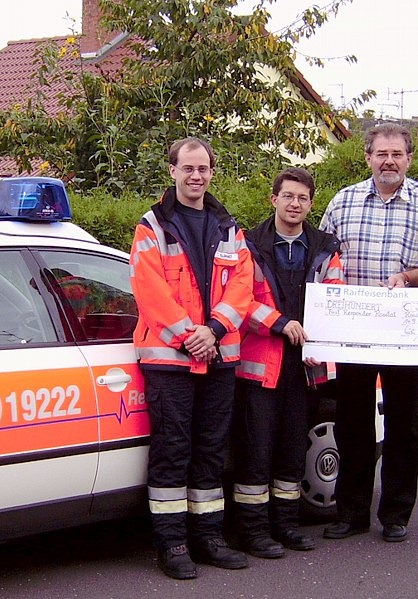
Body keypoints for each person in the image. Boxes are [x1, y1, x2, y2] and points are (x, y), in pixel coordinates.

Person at [129, 137, 253, 580]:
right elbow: (151, 292)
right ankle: (173, 544)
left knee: (211, 449)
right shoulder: (152, 226)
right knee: (173, 449)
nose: (196, 176)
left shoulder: (228, 227)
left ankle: (209, 537)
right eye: (188, 168)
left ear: (211, 172)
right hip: (170, 361)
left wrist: (214, 330)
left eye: (203, 168)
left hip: (218, 356)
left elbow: (242, 285)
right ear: (173, 171)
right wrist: (191, 337)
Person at [319, 123, 418, 542]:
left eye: (396, 154)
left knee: (402, 427)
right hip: (354, 332)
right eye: (381, 154)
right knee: (351, 425)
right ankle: (351, 512)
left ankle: (395, 513)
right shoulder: (343, 201)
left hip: (404, 335)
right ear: (368, 157)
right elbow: (324, 259)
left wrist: (407, 278)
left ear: (409, 158)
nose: (389, 161)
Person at [233, 167, 343, 559]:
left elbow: (334, 297)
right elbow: (239, 301)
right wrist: (280, 323)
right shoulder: (247, 245)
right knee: (256, 451)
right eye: (288, 196)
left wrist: (322, 341)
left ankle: (286, 526)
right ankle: (253, 532)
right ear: (273, 199)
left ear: (311, 204)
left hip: (305, 366)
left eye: (302, 198)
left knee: (294, 450)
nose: (294, 204)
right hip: (260, 366)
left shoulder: (327, 247)